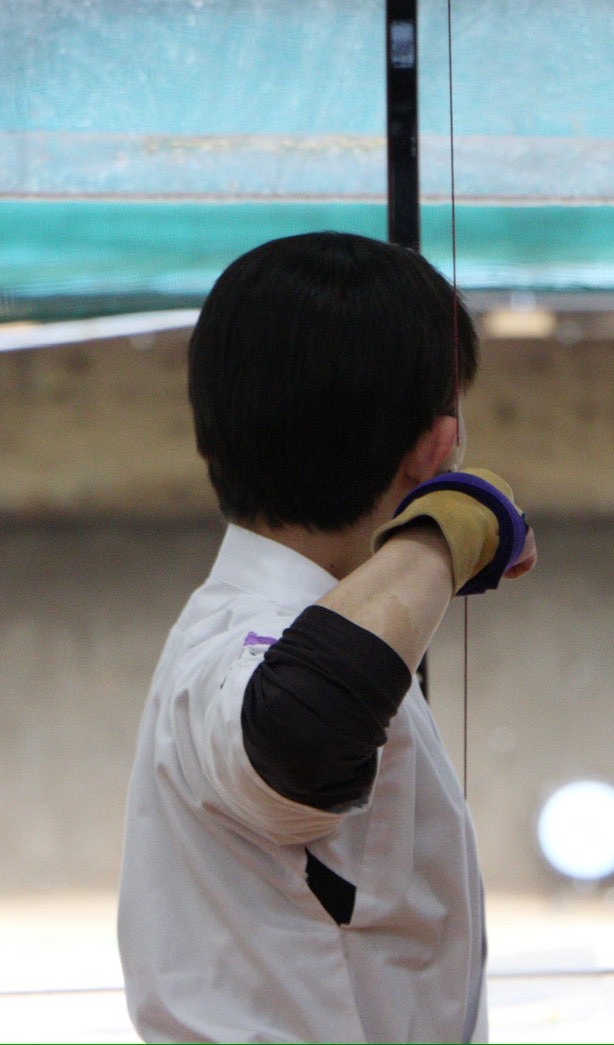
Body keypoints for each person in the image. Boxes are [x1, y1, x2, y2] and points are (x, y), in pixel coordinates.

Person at [116, 230, 537, 1043]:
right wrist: (454, 520)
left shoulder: (268, 619)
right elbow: (301, 724)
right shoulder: (251, 638)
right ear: (436, 449)